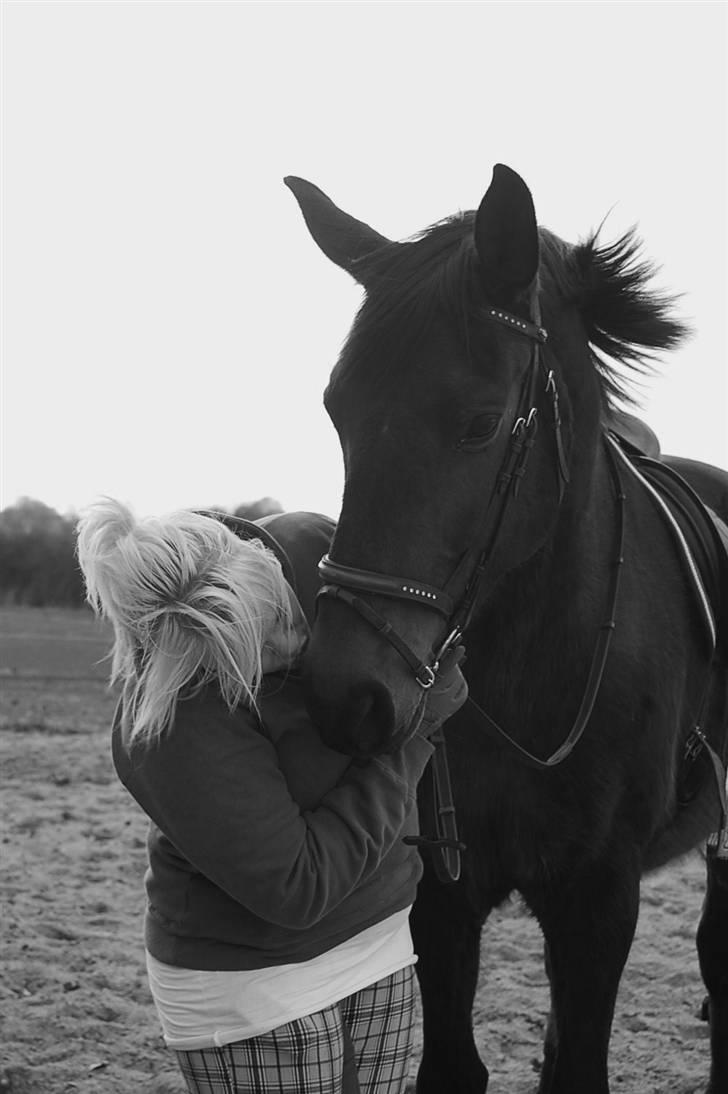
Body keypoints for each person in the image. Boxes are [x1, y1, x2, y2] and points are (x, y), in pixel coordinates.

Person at [76, 499, 467, 1094]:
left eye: (283, 612)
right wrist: (413, 736)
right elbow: (298, 886)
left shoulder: (313, 558)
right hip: (257, 983)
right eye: (265, 643)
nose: (298, 642)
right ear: (208, 657)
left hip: (381, 939)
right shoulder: (170, 725)